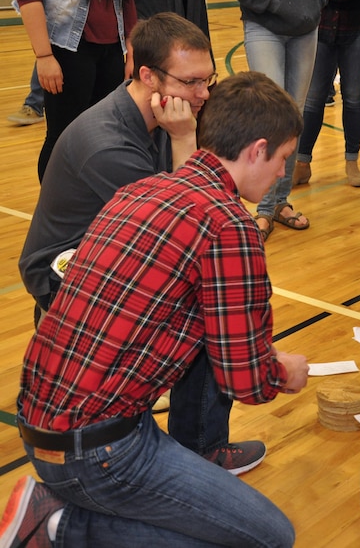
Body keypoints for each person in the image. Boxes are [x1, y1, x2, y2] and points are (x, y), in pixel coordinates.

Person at [0, 71, 309, 547]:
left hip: (43, 421)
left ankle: (60, 515)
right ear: (257, 150)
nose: (282, 174)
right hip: (98, 449)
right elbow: (244, 379)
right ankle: (62, 527)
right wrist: (283, 371)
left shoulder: (143, 189)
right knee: (271, 538)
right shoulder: (229, 227)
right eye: (283, 159)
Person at [18, 12, 265, 474]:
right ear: (147, 75)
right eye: (192, 82)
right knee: (209, 305)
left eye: (207, 80)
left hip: (106, 257)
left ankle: (190, 439)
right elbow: (186, 228)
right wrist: (186, 137)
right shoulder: (108, 144)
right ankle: (200, 448)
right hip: (60, 276)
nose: (204, 94)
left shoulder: (154, 113)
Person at [223, 0, 335, 240]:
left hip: (305, 30)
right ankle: (264, 207)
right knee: (270, 117)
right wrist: (276, 6)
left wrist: (314, 2)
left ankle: (280, 202)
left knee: (293, 117)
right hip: (265, 26)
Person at [12, 0, 137, 183]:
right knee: (62, 138)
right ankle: (55, 212)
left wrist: (131, 47)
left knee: (102, 136)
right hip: (68, 49)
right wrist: (44, 56)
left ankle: (90, 206)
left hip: (111, 49)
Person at [292, 0, 360, 189]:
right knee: (314, 99)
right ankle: (302, 163)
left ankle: (352, 160)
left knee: (354, 97)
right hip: (321, 27)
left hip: (359, 28)